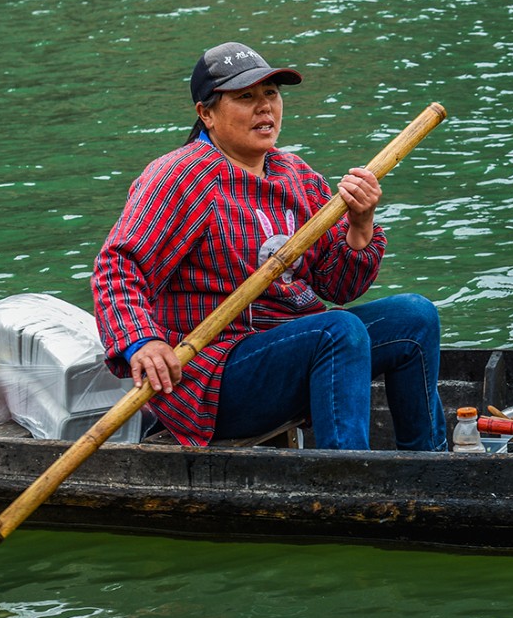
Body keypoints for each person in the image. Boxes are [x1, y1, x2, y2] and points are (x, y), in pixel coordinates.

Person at [93, 43, 446, 451]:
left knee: (415, 317)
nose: (265, 108)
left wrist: (360, 222)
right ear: (206, 113)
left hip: (295, 350)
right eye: (245, 97)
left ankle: (427, 464)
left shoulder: (294, 174)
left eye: (271, 94)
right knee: (339, 330)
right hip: (214, 378)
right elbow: (116, 267)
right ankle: (347, 481)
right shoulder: (180, 176)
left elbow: (339, 288)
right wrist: (144, 341)